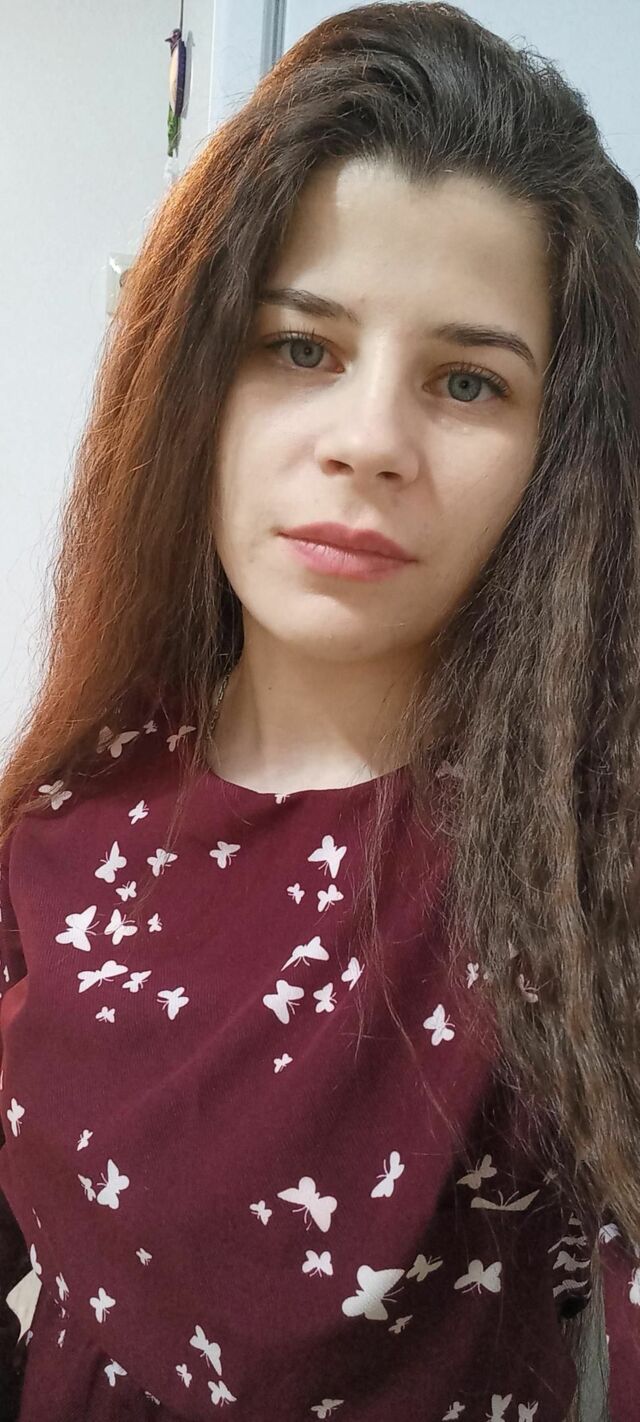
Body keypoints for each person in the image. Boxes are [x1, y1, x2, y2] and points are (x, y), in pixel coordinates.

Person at [1, 2, 639, 1417]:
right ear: (193, 378)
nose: (369, 440)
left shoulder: (582, 867)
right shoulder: (64, 803)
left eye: (467, 381)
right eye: (301, 348)